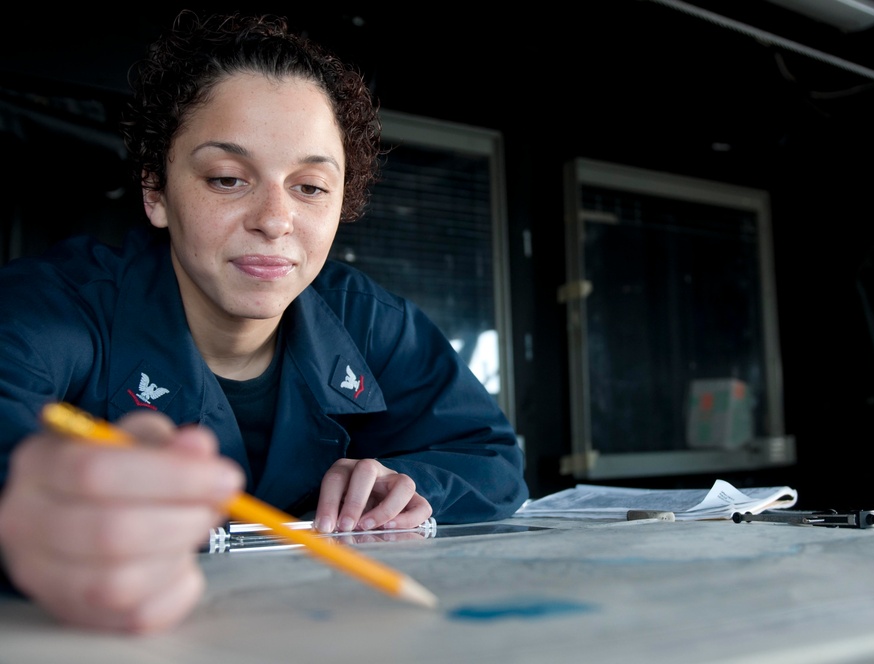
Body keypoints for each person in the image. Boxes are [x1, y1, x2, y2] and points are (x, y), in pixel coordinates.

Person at [0, 11, 528, 633]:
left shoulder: (364, 318)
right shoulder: (52, 309)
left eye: (309, 187)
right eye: (227, 179)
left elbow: (491, 456)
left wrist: (412, 487)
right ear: (156, 192)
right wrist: (33, 519)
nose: (275, 220)